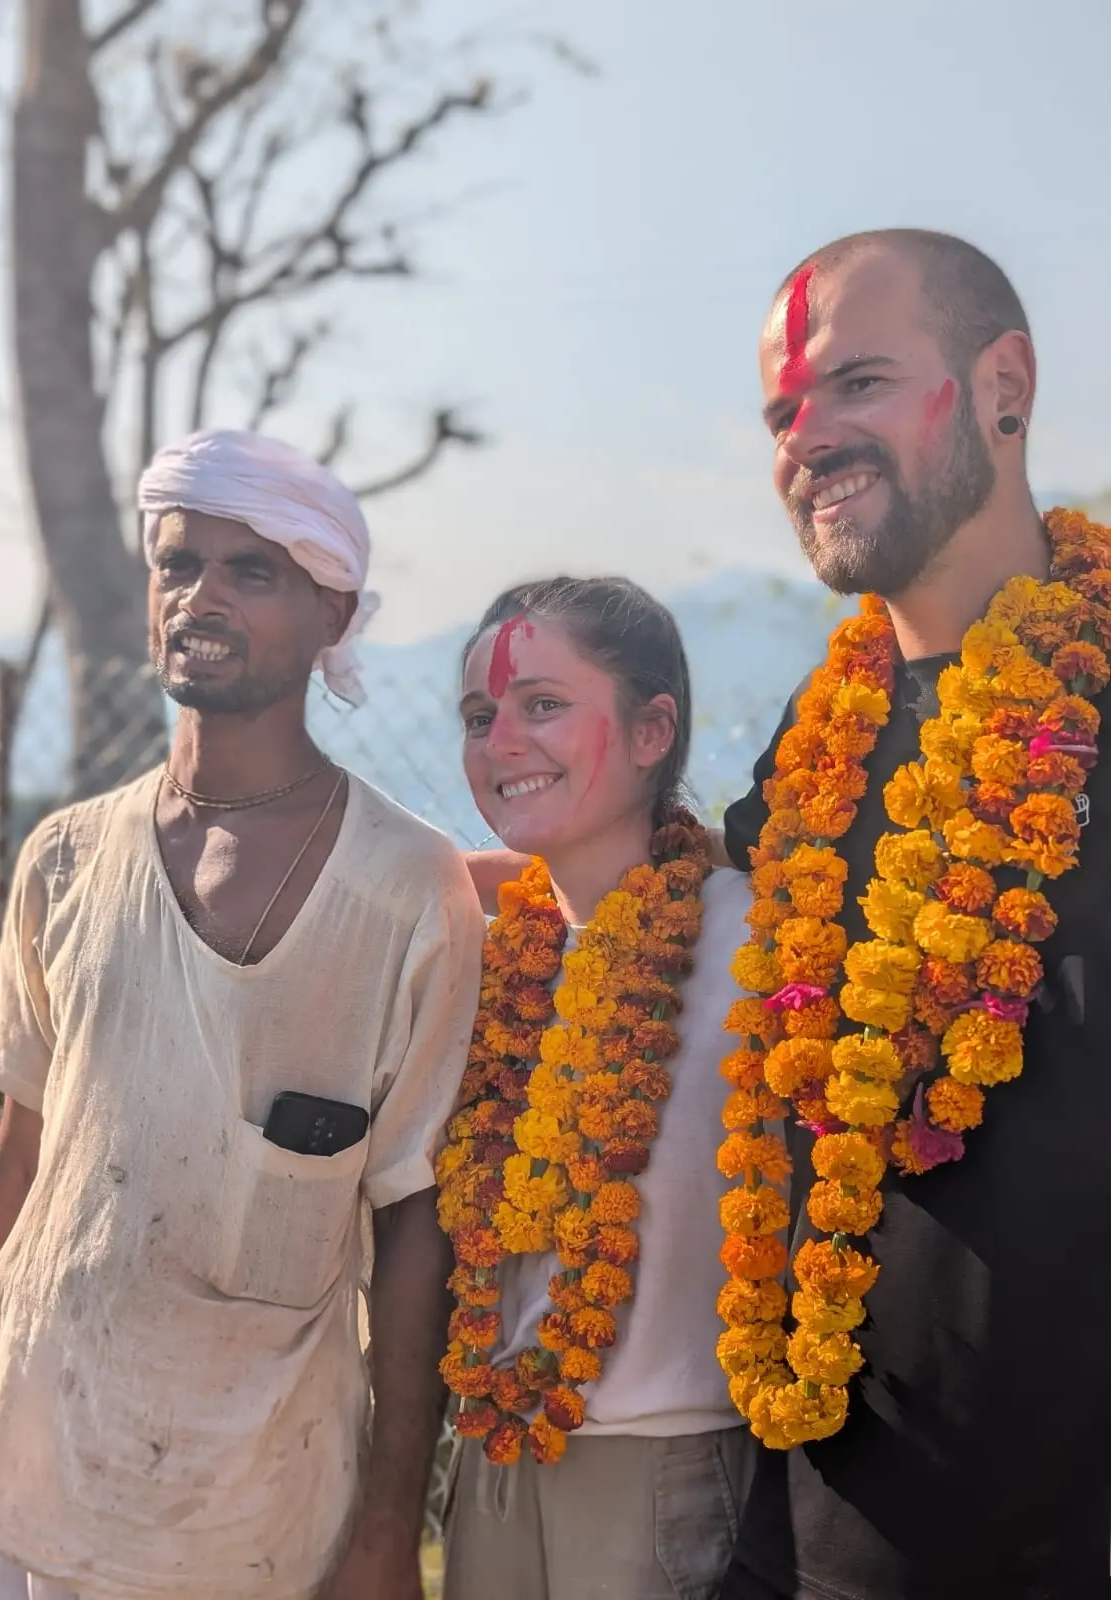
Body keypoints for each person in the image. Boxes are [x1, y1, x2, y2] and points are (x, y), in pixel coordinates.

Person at [0, 428, 485, 1600]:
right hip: (24, 1480)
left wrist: (384, 1530)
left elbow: (415, 1229)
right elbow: (13, 1166)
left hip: (255, 1521)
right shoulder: (65, 859)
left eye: (251, 570)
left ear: (333, 615)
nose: (201, 595)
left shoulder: (408, 890)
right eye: (179, 563)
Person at [716, 230, 1111, 1599]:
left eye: (858, 383)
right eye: (784, 412)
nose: (807, 438)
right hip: (811, 1529)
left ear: (1005, 385)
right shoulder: (811, 746)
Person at [438, 577, 760, 1600]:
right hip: (493, 1461)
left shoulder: (760, 933)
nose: (503, 743)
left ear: (652, 727)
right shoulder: (483, 956)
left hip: (665, 1474)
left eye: (542, 704)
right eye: (482, 716)